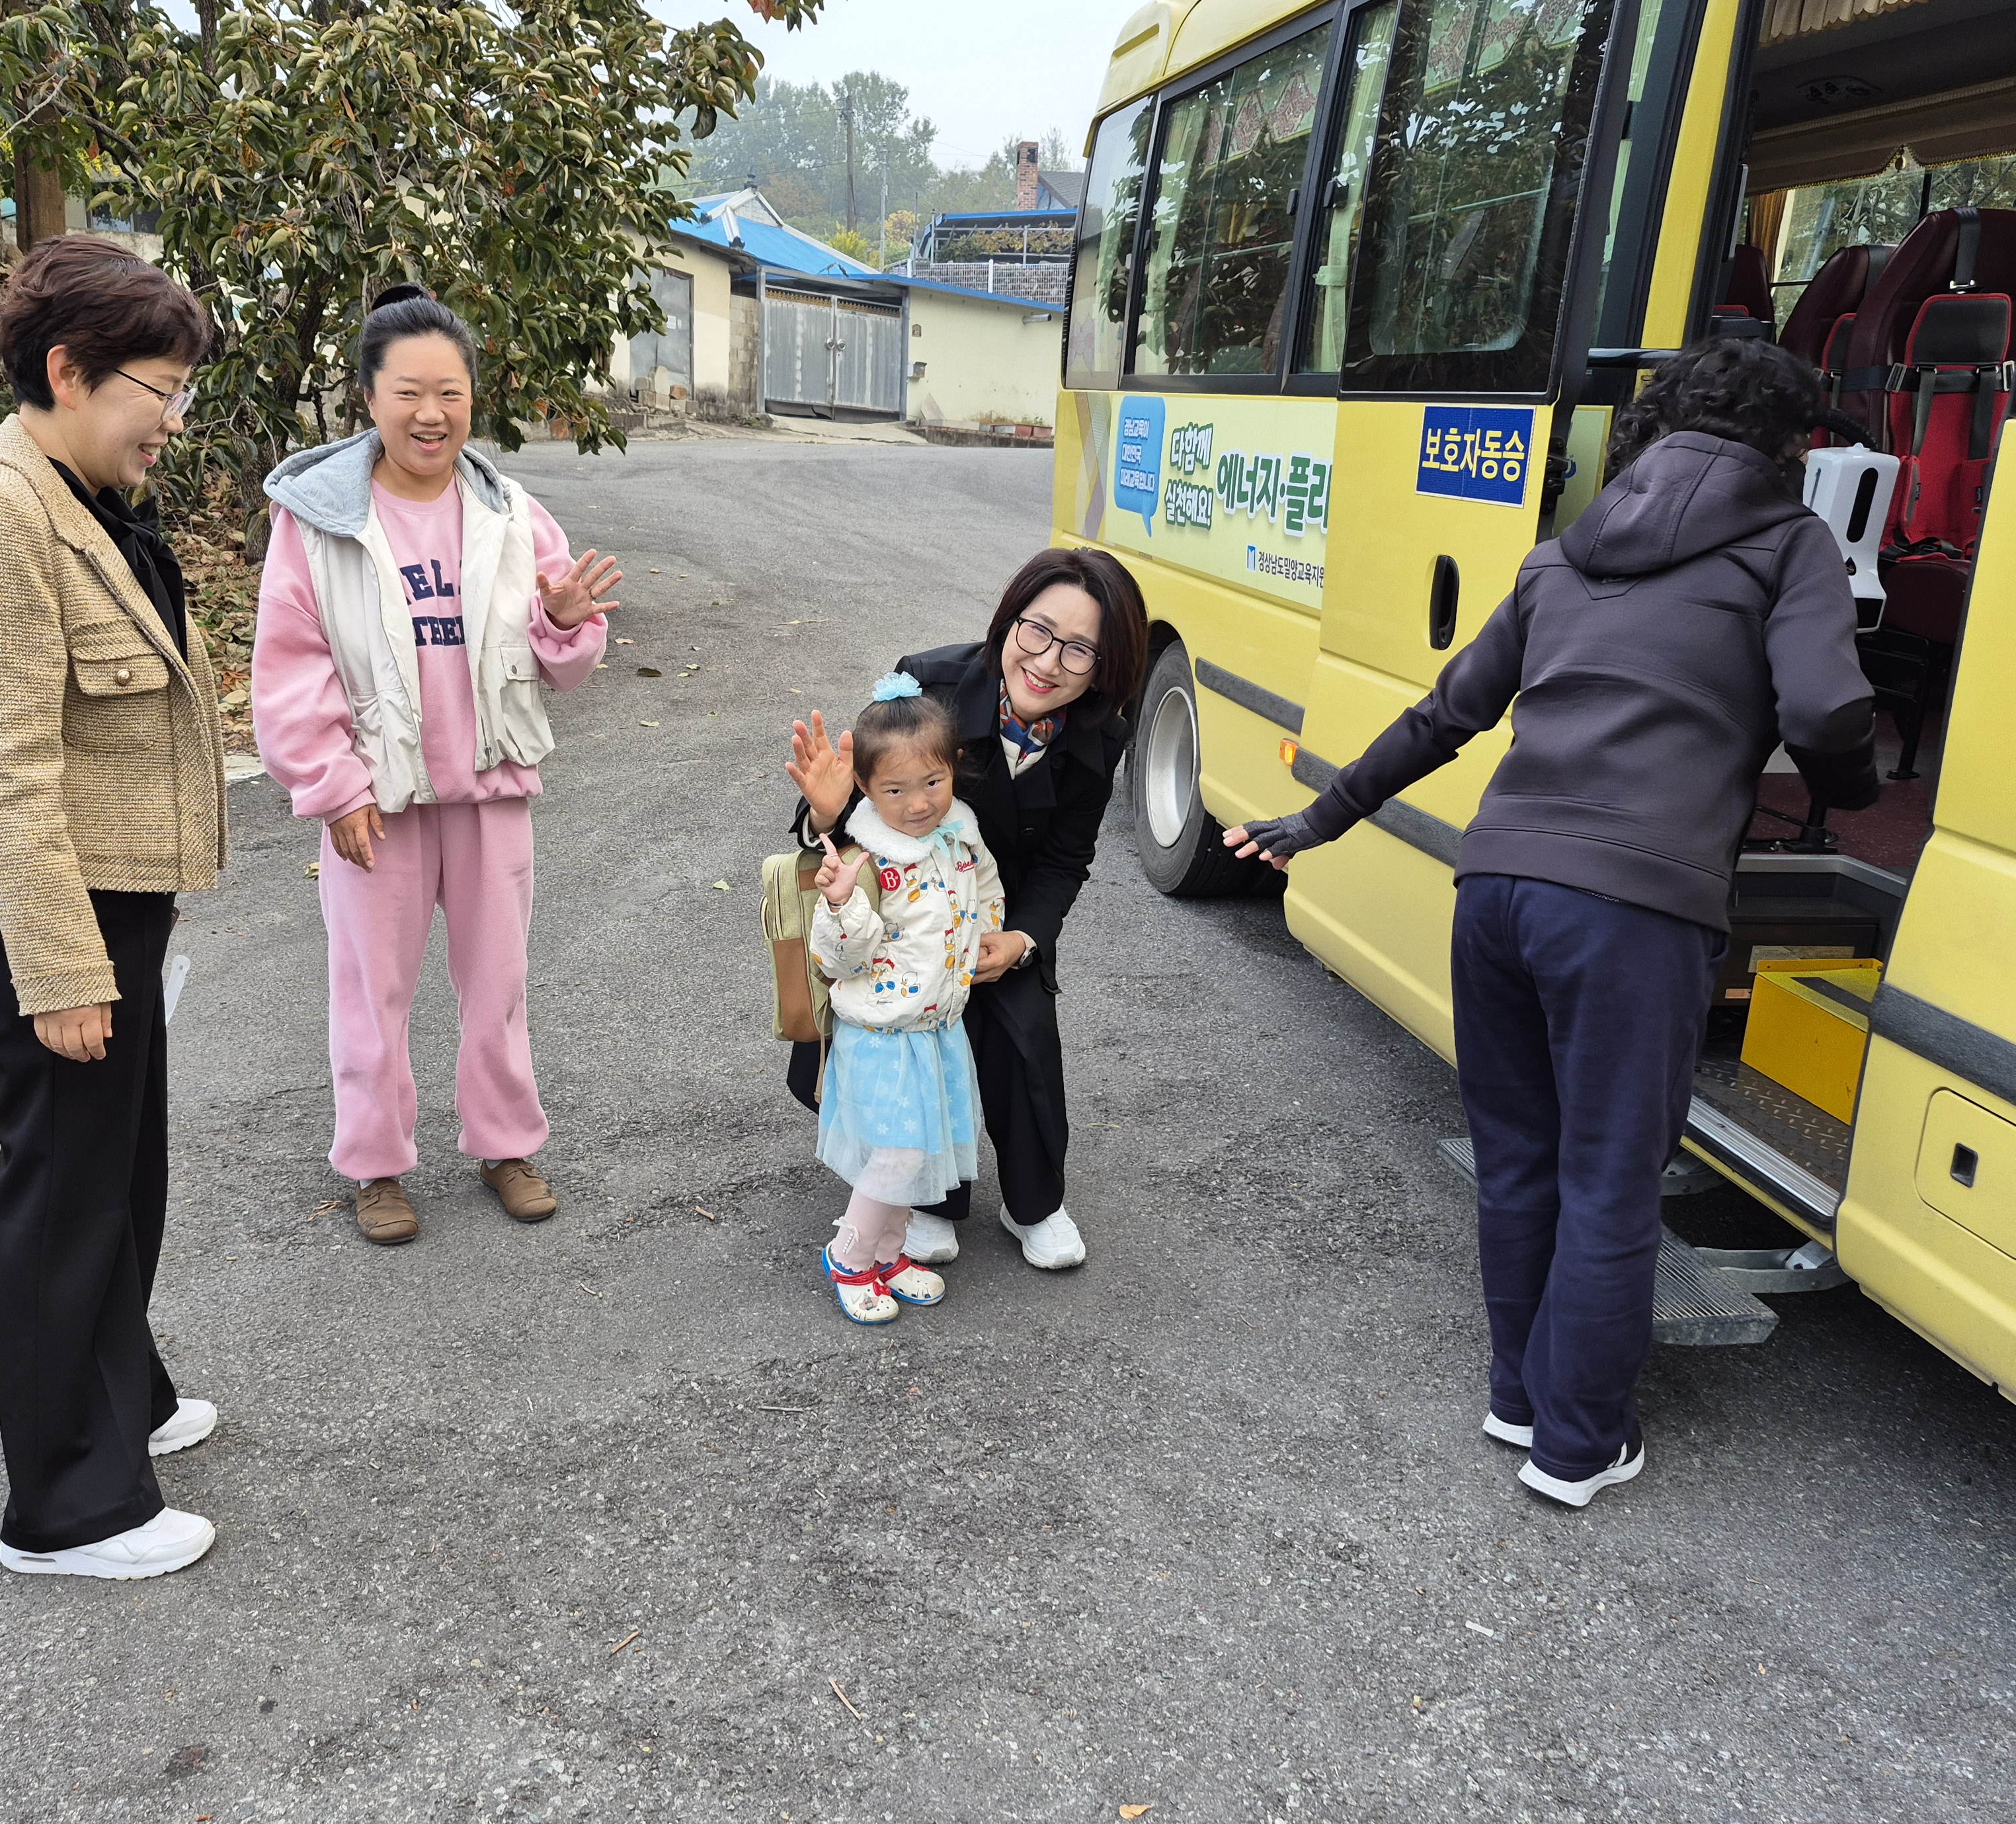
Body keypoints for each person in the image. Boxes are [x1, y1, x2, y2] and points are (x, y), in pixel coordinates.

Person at [1225, 336, 1880, 1509]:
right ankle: (1579, 1444)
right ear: (1787, 448)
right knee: (1611, 1180)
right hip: (1634, 912)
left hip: (1498, 891)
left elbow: (1445, 717)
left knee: (1520, 1160)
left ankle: (1518, 1393)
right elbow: (1828, 707)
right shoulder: (1790, 546)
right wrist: (1854, 791)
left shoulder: (1562, 557)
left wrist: (1318, 820)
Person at [0, 233, 227, 1580]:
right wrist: (59, 970)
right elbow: (8, 769)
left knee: (119, 1165)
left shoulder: (80, 495)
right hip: (51, 905)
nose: (173, 420)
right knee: (64, 1183)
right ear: (67, 371)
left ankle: (122, 1399)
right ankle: (68, 1506)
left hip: (111, 891)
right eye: (159, 388)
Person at [252, 286, 622, 1245]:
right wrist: (329, 785)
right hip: (378, 798)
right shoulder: (318, 522)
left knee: (498, 981)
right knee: (369, 989)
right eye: (409, 391)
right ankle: (375, 1166)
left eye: (451, 393)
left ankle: (505, 1144)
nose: (431, 414)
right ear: (368, 398)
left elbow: (560, 656)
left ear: (473, 399)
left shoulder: (509, 513)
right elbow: (292, 665)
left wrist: (569, 624)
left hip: (489, 789)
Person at [786, 548, 1147, 1271]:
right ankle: (925, 1198)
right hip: (894, 922)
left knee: (1023, 1039)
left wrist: (1023, 938)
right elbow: (859, 801)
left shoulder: (1102, 730)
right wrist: (828, 813)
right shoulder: (935, 679)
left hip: (991, 918)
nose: (1047, 663)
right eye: (1036, 631)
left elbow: (1064, 859)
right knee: (901, 1047)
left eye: (1080, 650)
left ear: (1106, 666)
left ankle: (1032, 1203)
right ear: (1010, 619)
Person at [807, 677, 1006, 1323]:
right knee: (894, 1155)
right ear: (865, 789)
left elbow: (984, 886)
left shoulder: (959, 835)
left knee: (918, 1150)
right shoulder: (867, 860)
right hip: (883, 1035)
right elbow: (838, 958)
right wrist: (840, 905)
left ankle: (889, 1252)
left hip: (937, 1029)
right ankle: (849, 1255)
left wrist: (990, 931)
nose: (918, 804)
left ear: (952, 771)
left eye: (932, 782)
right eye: (894, 790)